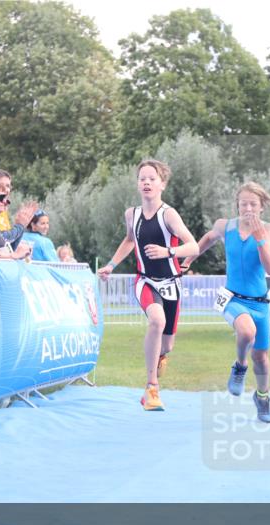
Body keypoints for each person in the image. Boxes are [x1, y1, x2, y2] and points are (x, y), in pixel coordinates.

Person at [96, 159, 198, 412]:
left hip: (171, 283)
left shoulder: (169, 214)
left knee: (167, 345)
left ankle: (160, 357)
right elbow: (129, 241)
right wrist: (111, 264)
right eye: (142, 178)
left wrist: (167, 251)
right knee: (156, 321)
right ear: (137, 183)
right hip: (145, 280)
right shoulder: (132, 214)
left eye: (152, 178)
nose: (147, 182)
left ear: (162, 184)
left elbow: (193, 246)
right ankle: (151, 388)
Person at [184, 182, 270, 423]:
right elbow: (206, 239)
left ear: (261, 208)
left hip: (260, 303)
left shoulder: (268, 231)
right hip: (232, 299)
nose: (248, 208)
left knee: (262, 358)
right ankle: (239, 366)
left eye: (253, 204)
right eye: (244, 203)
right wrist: (189, 259)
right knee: (246, 332)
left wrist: (259, 239)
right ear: (237, 204)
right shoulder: (224, 226)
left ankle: (262, 397)